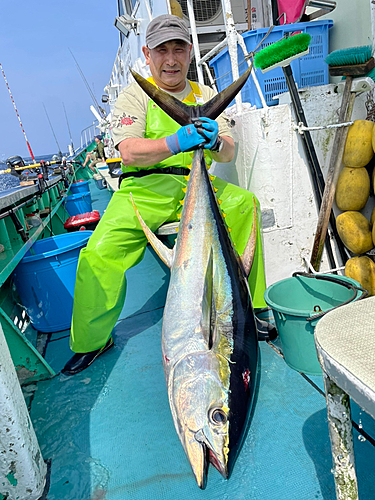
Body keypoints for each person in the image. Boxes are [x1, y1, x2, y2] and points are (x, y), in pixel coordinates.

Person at [62, 14, 269, 376]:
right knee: (98, 255)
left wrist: (215, 140)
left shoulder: (204, 95)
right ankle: (93, 340)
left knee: (244, 205)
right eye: (162, 51)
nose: (171, 60)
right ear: (147, 53)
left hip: (192, 181)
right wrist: (177, 141)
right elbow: (128, 152)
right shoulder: (134, 94)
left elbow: (229, 153)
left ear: (190, 52)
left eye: (178, 49)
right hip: (142, 189)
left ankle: (251, 309)